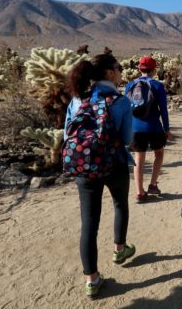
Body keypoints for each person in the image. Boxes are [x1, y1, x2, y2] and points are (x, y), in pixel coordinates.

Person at [64, 54, 135, 298]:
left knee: (89, 223)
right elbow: (126, 139)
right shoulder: (121, 102)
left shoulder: (77, 99)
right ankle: (120, 249)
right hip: (114, 163)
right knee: (119, 204)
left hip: (84, 166)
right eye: (119, 67)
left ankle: (92, 280)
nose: (122, 70)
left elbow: (67, 135)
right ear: (109, 73)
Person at [125, 56, 172, 202]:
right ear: (154, 70)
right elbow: (163, 109)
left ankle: (139, 192)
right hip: (154, 127)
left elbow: (126, 107)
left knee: (139, 158)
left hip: (135, 127)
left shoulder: (130, 85)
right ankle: (152, 184)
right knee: (159, 153)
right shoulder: (157, 85)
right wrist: (167, 129)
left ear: (139, 69)